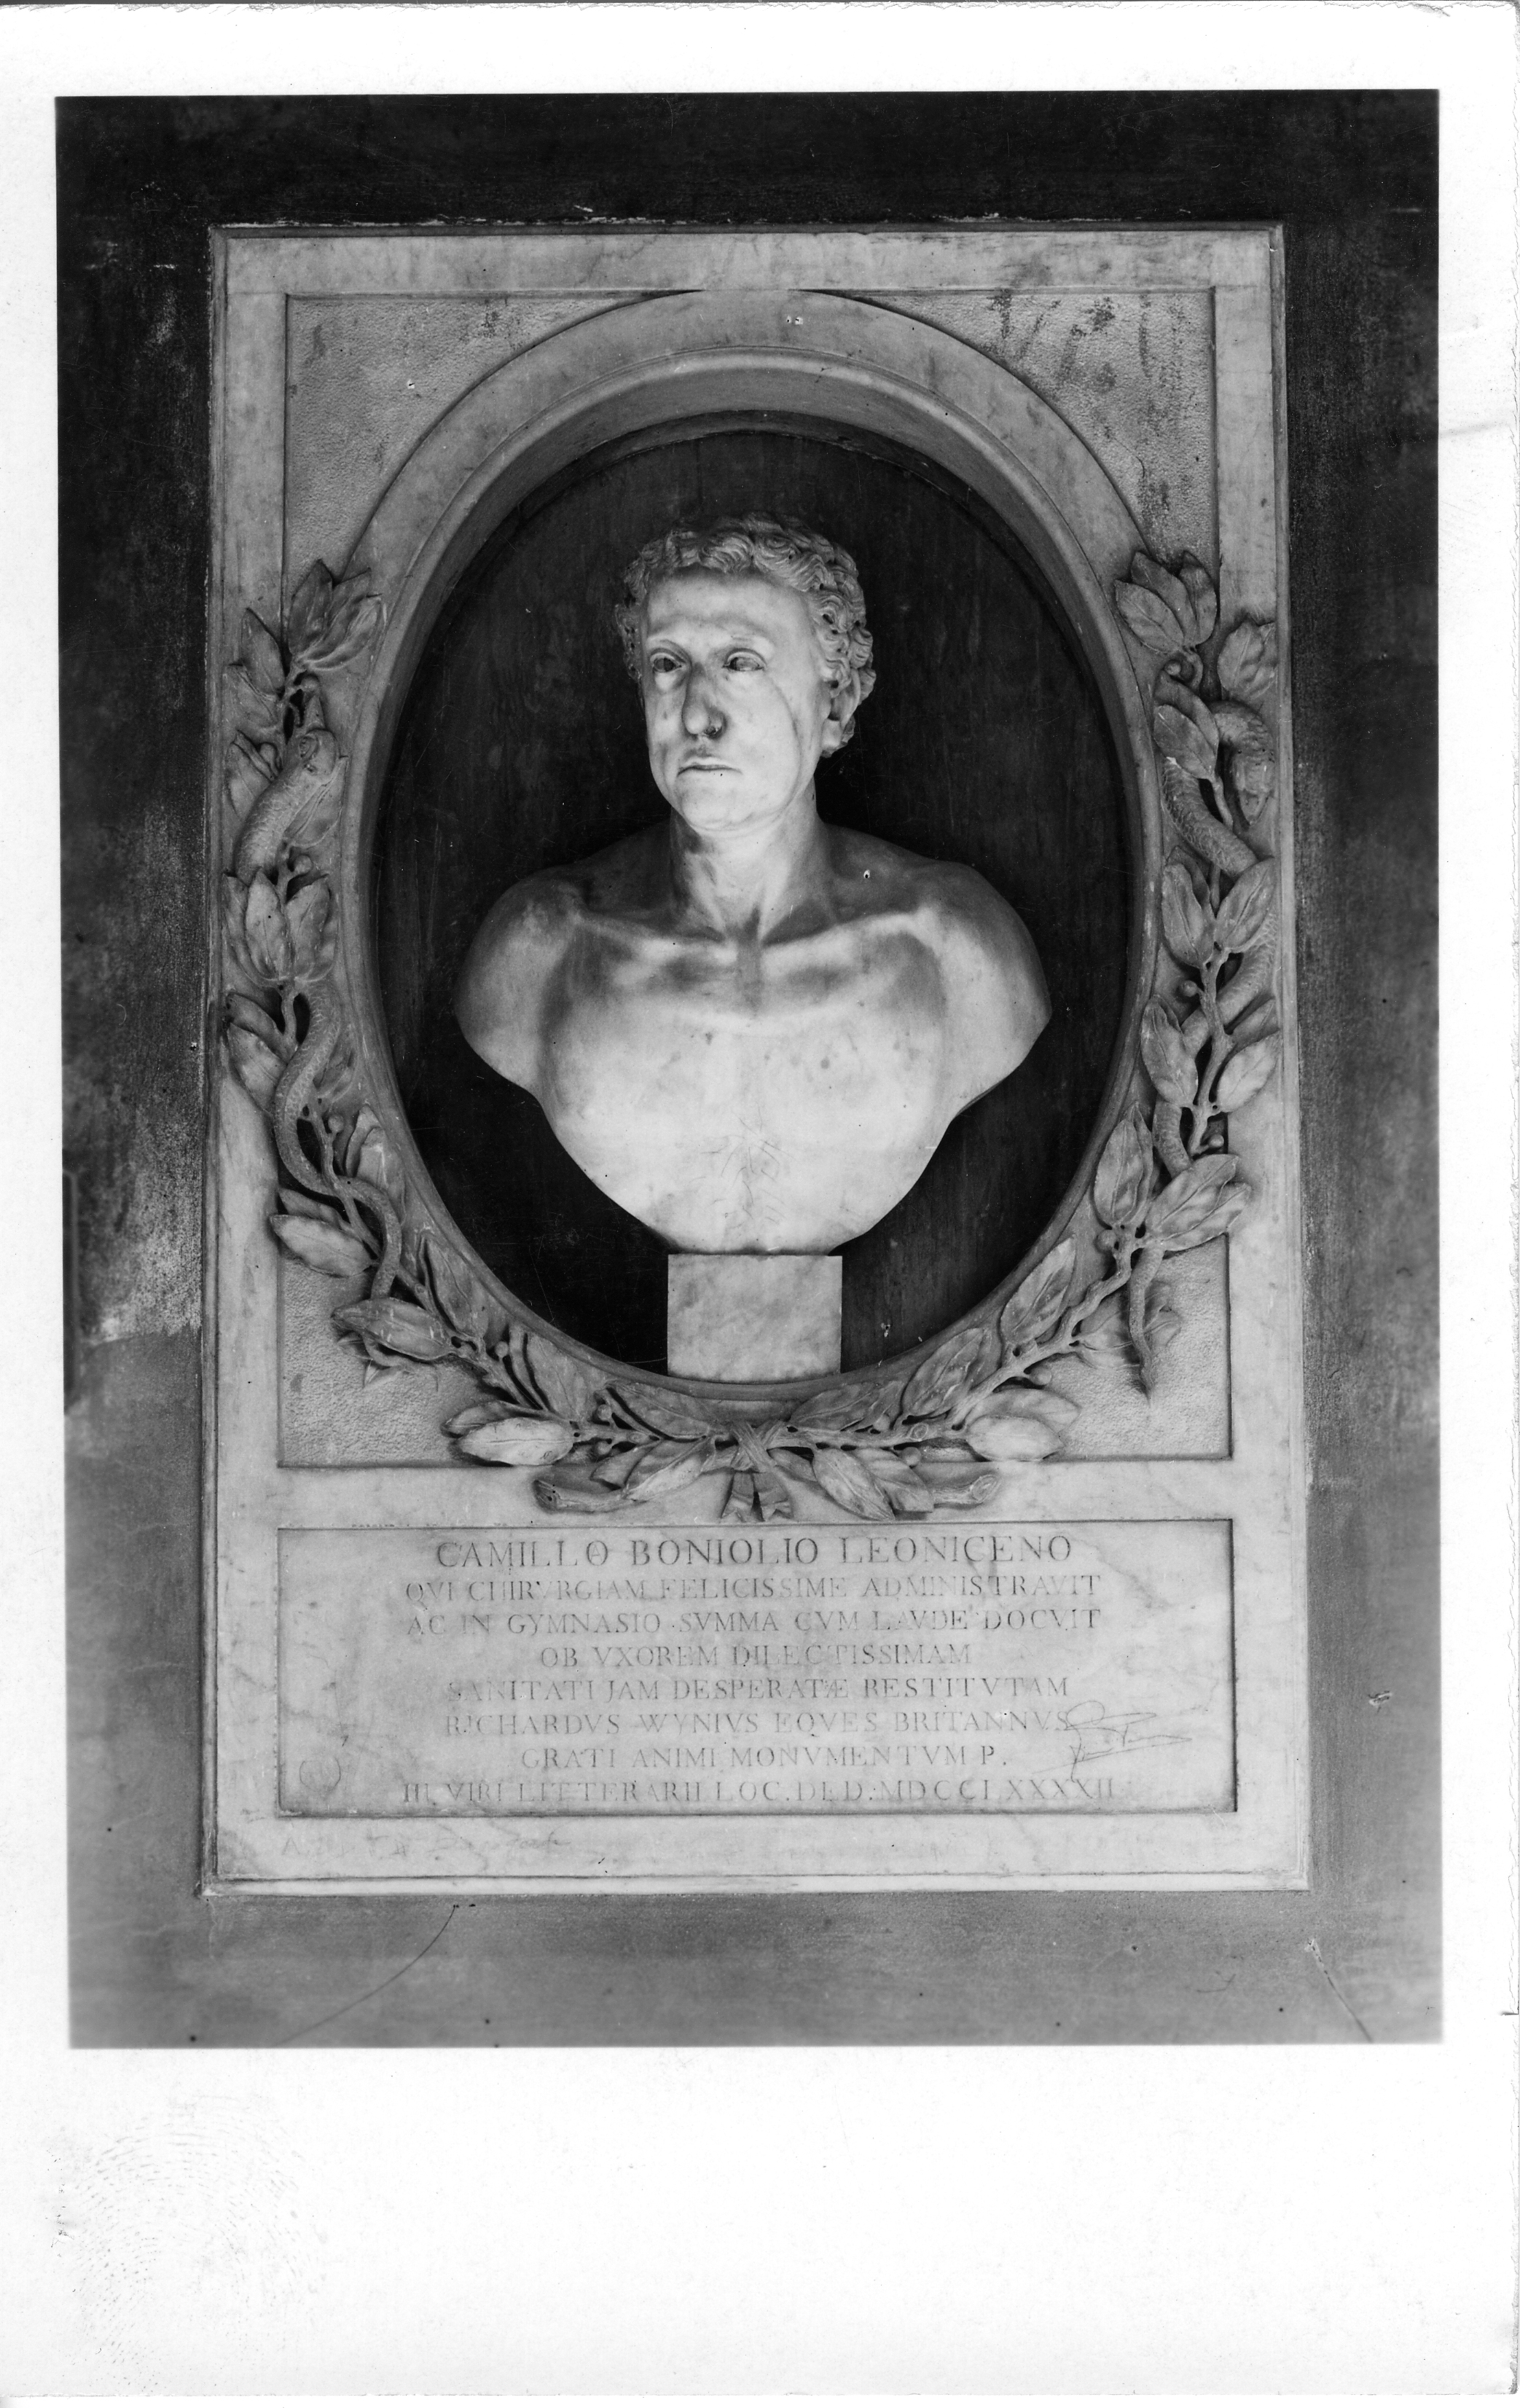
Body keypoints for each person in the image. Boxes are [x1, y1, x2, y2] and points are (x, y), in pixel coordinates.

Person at [455, 515, 1049, 1257]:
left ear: (836, 701)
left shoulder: (954, 949)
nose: (697, 715)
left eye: (741, 662)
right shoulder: (541, 952)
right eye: (668, 665)